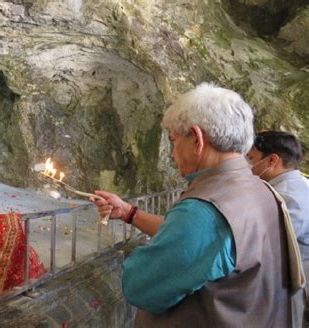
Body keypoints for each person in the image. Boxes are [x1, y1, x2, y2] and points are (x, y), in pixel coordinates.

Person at [91, 83, 303, 327]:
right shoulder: (259, 189)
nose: (172, 153)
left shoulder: (206, 210)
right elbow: (199, 242)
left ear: (197, 139)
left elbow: (141, 286)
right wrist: (130, 213)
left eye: (174, 140)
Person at [247, 130, 309, 327]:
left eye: (251, 158)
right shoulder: (294, 186)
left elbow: (266, 245)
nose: (247, 165)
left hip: (290, 288)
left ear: (272, 160)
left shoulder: (288, 198)